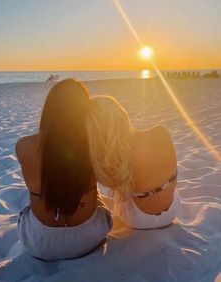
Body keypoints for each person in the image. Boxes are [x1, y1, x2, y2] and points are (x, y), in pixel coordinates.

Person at [16, 80, 112, 260]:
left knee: (29, 197)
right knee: (93, 192)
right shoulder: (96, 142)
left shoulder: (24, 146)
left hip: (41, 244)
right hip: (90, 238)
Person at [86, 95, 180, 229]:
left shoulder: (112, 157)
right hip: (172, 212)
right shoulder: (160, 132)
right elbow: (174, 174)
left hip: (138, 220)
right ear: (121, 114)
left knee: (119, 192)